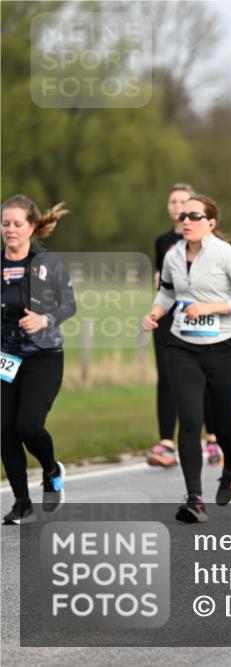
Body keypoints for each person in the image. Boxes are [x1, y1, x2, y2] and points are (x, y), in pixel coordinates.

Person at [142, 194, 231, 522]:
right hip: (183, 348)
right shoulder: (172, 255)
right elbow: (167, 291)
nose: (186, 221)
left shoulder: (226, 255)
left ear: (211, 223)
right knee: (191, 419)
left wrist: (211, 307)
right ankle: (194, 498)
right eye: (182, 216)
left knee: (222, 425)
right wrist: (155, 311)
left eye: (194, 216)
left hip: (225, 349)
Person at [1, 196, 75, 525]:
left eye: (17, 224)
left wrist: (44, 320)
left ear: (32, 227)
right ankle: (22, 503)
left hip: (43, 357)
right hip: (5, 358)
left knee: (28, 426)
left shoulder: (47, 262)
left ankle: (50, 469)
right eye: (5, 223)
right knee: (3, 430)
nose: (10, 229)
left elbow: (69, 305)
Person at [147, 184, 221, 468]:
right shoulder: (162, 242)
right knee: (166, 377)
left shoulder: (209, 241)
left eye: (183, 202)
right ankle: (166, 443)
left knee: (201, 379)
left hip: (198, 315)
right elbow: (162, 278)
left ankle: (213, 438)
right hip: (169, 318)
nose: (178, 207)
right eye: (173, 202)